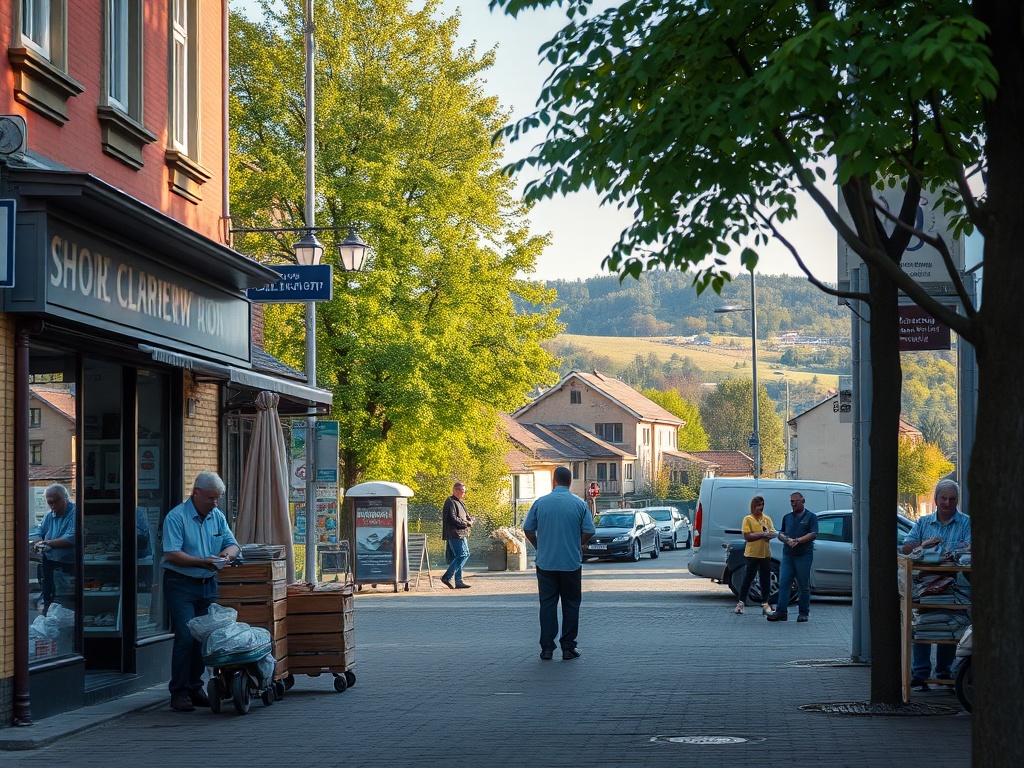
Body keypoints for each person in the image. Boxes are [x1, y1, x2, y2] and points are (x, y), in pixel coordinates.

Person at [161, 472, 239, 712]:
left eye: (218, 498)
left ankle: (195, 688)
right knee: (186, 635)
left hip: (207, 583)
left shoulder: (217, 517)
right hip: (181, 584)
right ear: (196, 493)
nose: (215, 503)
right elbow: (171, 553)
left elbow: (234, 544)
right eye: (211, 498)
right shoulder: (176, 517)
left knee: (203, 638)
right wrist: (201, 561)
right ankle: (179, 692)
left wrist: (227, 555)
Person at [900, 479, 971, 691]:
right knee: (922, 626)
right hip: (925, 585)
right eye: (943, 499)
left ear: (957, 500)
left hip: (954, 586)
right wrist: (924, 545)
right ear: (936, 500)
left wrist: (957, 552)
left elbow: (969, 549)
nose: (947, 503)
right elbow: (906, 548)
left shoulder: (966, 522)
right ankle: (920, 674)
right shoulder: (923, 523)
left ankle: (944, 672)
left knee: (948, 626)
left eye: (952, 499)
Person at [522, 466, 596, 660]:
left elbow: (528, 529)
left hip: (546, 562)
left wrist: (539, 545)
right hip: (570, 563)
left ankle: (547, 648)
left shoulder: (540, 503)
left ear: (554, 481)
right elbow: (590, 530)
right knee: (571, 605)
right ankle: (568, 648)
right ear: (570, 482)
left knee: (547, 605)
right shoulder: (579, 504)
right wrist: (577, 543)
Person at [767, 492, 818, 623]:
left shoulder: (811, 517)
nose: (793, 503)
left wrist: (798, 540)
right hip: (788, 555)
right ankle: (781, 612)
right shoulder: (787, 517)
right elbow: (781, 533)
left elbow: (813, 534)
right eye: (791, 501)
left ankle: (803, 613)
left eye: (795, 501)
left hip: (803, 555)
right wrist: (787, 539)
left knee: (803, 585)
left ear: (803, 501)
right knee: (784, 584)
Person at [32, 484, 77, 614]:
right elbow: (38, 531)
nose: (52, 506)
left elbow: (72, 537)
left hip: (68, 561)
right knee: (48, 593)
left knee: (66, 595)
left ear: (64, 499)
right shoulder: (49, 515)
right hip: (49, 560)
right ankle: (47, 613)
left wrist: (48, 543)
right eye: (49, 502)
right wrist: (38, 541)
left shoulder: (75, 513)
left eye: (54, 502)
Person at [735, 495, 775, 616]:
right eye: (758, 506)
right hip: (752, 554)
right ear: (753, 507)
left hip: (765, 554)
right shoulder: (748, 519)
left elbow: (772, 533)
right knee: (748, 579)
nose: (760, 508)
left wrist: (767, 534)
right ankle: (741, 603)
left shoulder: (767, 519)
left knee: (765, 580)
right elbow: (748, 536)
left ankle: (765, 603)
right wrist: (763, 534)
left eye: (762, 506)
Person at [440, 482, 474, 589]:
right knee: (462, 555)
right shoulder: (450, 502)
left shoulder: (460, 502)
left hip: (462, 533)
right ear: (456, 490)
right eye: (462, 491)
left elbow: (466, 515)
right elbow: (453, 518)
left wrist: (470, 520)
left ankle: (459, 581)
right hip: (454, 534)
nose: (463, 493)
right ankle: (447, 577)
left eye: (464, 491)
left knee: (463, 554)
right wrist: (466, 523)